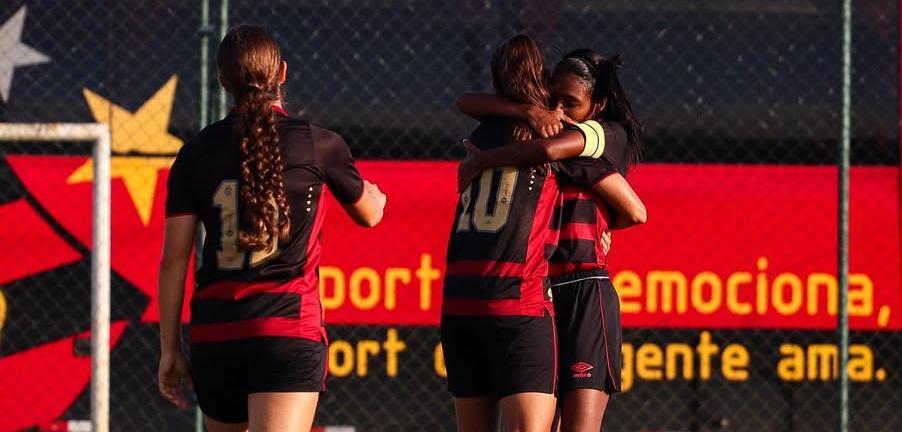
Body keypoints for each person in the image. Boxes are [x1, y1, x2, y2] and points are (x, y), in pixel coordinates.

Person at [157, 25, 386, 432]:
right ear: (282, 73)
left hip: (216, 335)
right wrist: (375, 195)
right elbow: (370, 214)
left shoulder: (193, 154)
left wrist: (169, 349)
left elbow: (174, 260)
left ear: (222, 80)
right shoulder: (318, 143)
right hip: (286, 328)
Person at [441, 35, 637, 432]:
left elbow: (636, 209)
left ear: (596, 105)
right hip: (541, 289)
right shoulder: (540, 129)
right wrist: (530, 112)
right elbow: (467, 102)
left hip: (582, 287)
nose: (560, 110)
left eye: (571, 103)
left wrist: (484, 162)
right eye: (555, 100)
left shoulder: (599, 135)